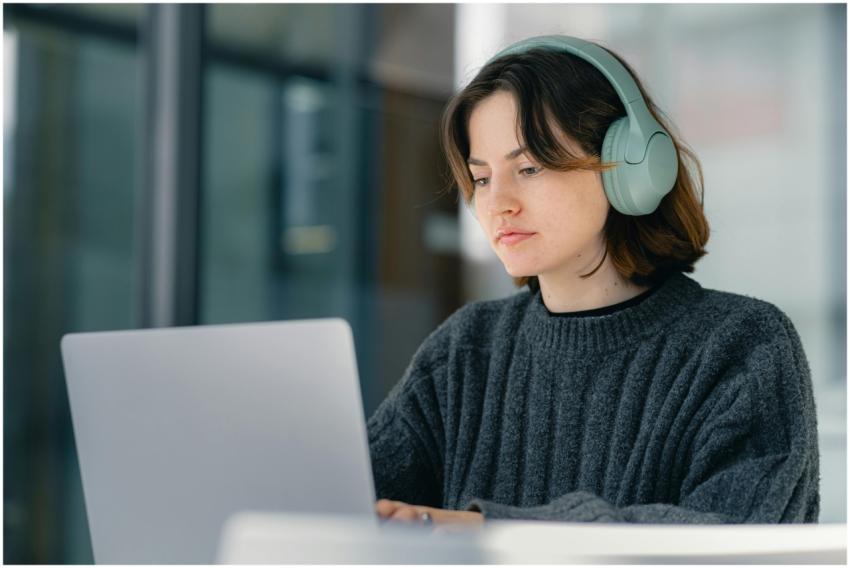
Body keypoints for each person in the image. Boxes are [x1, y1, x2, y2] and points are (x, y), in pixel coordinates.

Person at [367, 35, 819, 528]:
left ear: (631, 165)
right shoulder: (466, 348)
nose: (498, 203)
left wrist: (486, 532)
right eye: (481, 178)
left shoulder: (741, 344)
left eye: (530, 167)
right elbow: (350, 499)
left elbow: (733, 538)